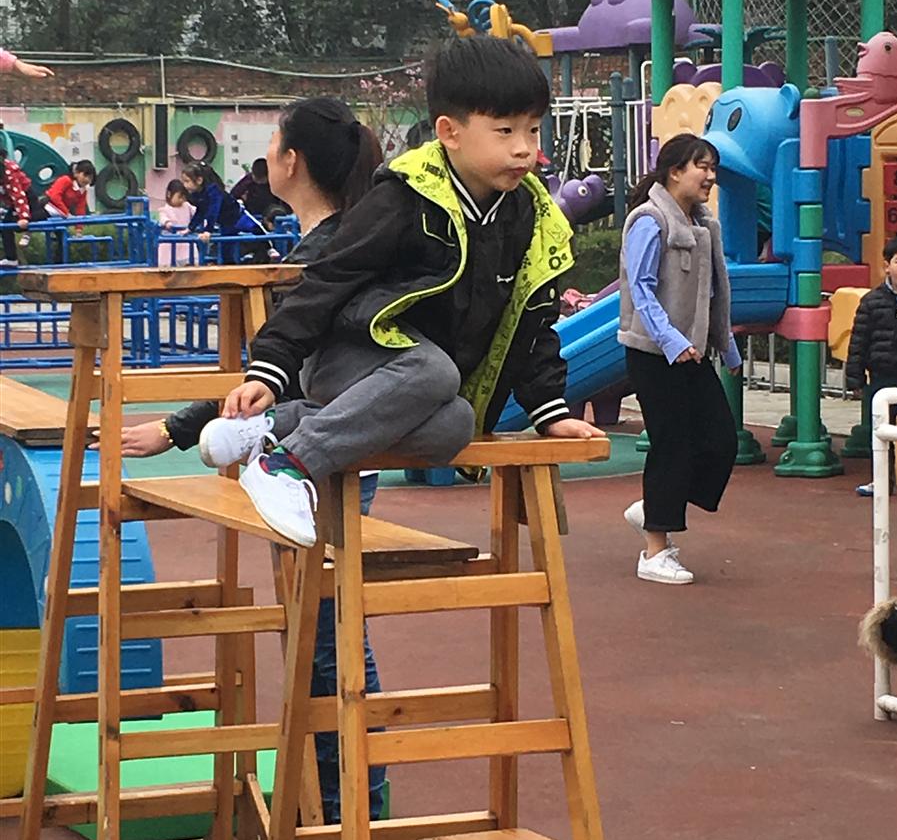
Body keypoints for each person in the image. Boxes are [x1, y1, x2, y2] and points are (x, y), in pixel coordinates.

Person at [100, 98, 388, 840]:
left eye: (273, 147)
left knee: (327, 643)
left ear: (293, 163)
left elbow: (278, 364)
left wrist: (180, 427)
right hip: (322, 446)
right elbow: (274, 360)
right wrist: (183, 428)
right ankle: (340, 832)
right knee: (324, 637)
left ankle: (350, 837)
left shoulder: (331, 251)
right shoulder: (329, 241)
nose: (266, 160)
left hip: (327, 454)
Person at [198, 35, 602, 553]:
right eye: (505, 131)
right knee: (436, 372)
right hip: (344, 356)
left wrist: (551, 411)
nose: (524, 147)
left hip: (413, 382)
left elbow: (530, 314)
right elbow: (328, 278)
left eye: (533, 128)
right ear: (449, 133)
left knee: (456, 423)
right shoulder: (405, 196)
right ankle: (287, 466)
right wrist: (270, 368)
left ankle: (279, 429)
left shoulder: (527, 213)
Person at [618, 132, 741, 585]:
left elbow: (716, 293)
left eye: (713, 168)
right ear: (674, 171)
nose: (710, 176)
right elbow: (641, 289)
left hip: (693, 353)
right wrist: (670, 340)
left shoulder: (706, 225)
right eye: (701, 167)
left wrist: (725, 345)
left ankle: (655, 506)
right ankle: (655, 551)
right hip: (655, 354)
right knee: (672, 445)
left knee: (721, 441)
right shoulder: (649, 221)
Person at [845, 234, 897, 497]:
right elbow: (859, 341)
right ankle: (881, 480)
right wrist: (855, 378)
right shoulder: (872, 301)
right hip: (882, 376)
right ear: (887, 266)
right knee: (879, 431)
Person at [181, 162, 272, 264]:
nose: (185, 185)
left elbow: (213, 210)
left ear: (199, 180)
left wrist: (208, 230)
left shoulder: (214, 190)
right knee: (226, 250)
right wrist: (190, 228)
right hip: (226, 224)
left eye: (187, 181)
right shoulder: (198, 194)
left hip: (238, 217)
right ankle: (229, 266)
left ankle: (270, 249)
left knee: (256, 228)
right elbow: (200, 211)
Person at [37, 160, 96, 264]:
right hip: (46, 208)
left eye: (90, 178)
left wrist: (79, 228)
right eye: (85, 175)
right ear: (77, 173)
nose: (87, 180)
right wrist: (67, 213)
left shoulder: (82, 191)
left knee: (63, 239)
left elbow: (80, 208)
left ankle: (59, 264)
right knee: (33, 221)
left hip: (59, 215)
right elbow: (55, 196)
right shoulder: (65, 180)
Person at [0, 146, 32, 267]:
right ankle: (11, 258)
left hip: (27, 198)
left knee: (10, 224)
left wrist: (23, 216)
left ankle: (12, 257)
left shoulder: (8, 171)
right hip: (13, 202)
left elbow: (18, 195)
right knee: (5, 226)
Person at [156, 179, 196, 265]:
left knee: (190, 265)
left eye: (184, 197)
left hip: (186, 244)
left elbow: (197, 214)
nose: (182, 200)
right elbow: (163, 218)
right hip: (169, 247)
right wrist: (167, 223)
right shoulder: (165, 210)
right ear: (169, 194)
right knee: (169, 267)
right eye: (179, 197)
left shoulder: (187, 206)